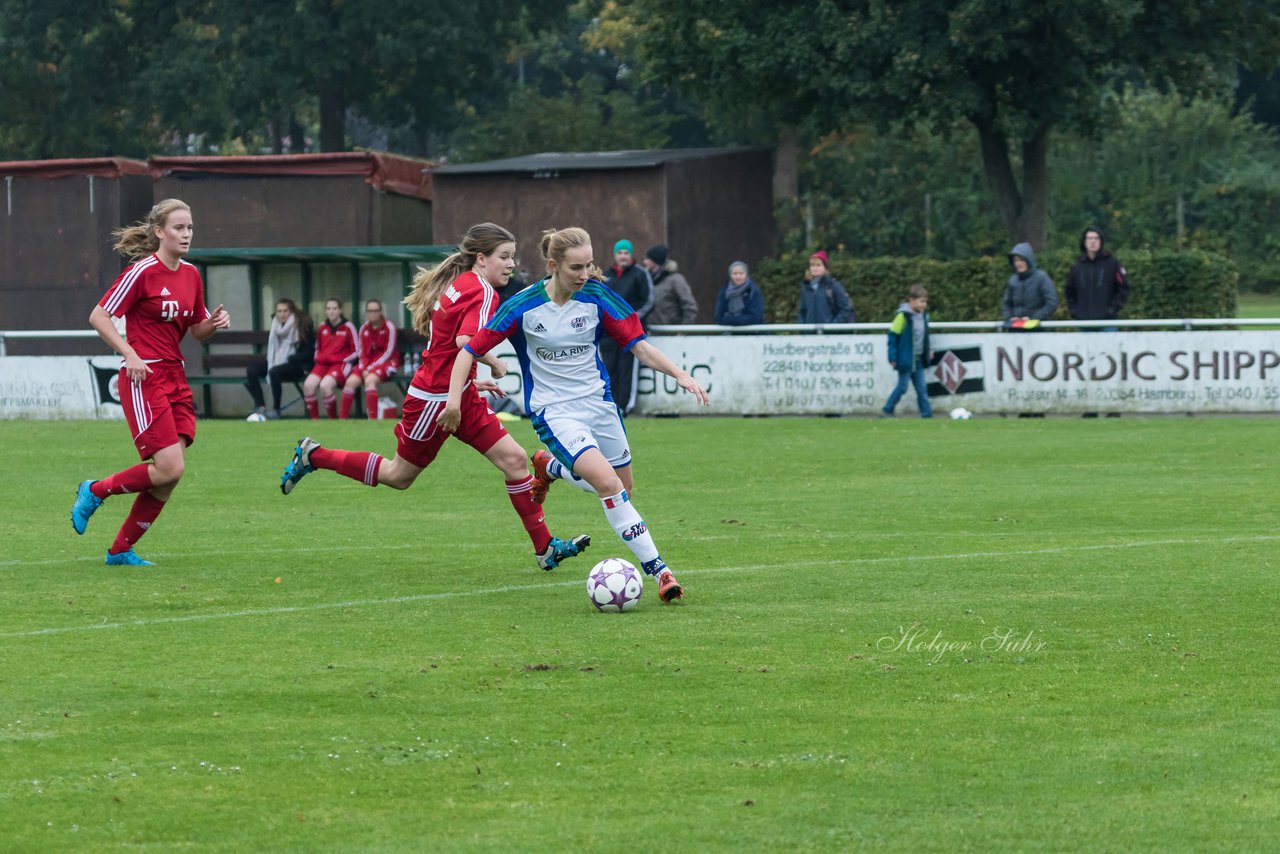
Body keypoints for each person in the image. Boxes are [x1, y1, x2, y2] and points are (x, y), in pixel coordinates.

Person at [278, 222, 590, 572]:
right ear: (481, 258)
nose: (510, 265)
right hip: (435, 401)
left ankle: (544, 548)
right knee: (399, 476)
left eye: (513, 257)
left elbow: (453, 344)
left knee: (516, 462)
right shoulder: (483, 292)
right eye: (504, 257)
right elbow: (462, 345)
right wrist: (475, 378)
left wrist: (472, 381)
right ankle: (314, 455)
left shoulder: (463, 283)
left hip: (455, 392)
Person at [443, 226, 711, 603]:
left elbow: (639, 346)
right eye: (576, 268)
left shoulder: (598, 297)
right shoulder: (522, 305)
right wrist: (454, 401)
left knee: (624, 489)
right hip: (555, 412)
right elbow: (468, 349)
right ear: (553, 265)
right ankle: (661, 572)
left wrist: (681, 374)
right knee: (610, 488)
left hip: (600, 406)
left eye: (589, 265)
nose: (585, 274)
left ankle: (549, 467)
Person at [69, 199, 231, 566]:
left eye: (190, 227)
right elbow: (99, 316)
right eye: (179, 227)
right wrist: (129, 353)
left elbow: (197, 330)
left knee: (168, 476)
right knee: (169, 467)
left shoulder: (190, 274)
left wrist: (214, 324)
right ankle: (94, 491)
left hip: (175, 374)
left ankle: (120, 550)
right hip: (144, 377)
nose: (186, 233)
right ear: (159, 232)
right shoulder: (142, 271)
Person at [600, 239, 653, 415]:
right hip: (608, 333)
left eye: (626, 253)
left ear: (631, 255)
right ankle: (611, 406)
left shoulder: (640, 274)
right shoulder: (606, 275)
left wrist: (630, 320)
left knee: (626, 370)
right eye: (620, 253)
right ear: (615, 255)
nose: (623, 256)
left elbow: (649, 301)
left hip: (630, 334)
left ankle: (624, 406)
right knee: (609, 369)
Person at [245, 299, 314, 419]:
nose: (282, 314)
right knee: (252, 369)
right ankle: (261, 406)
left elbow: (308, 353)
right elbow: (274, 348)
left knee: (274, 372)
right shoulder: (275, 324)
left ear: (292, 311)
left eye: (285, 311)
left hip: (297, 365)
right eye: (279, 311)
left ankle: (276, 409)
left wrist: (293, 358)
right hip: (276, 361)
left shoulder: (302, 325)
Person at [881, 285, 933, 418]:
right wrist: (892, 357)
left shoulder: (924, 317)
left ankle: (927, 414)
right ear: (911, 300)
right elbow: (892, 337)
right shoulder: (903, 317)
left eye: (925, 301)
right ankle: (887, 409)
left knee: (922, 388)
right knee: (902, 387)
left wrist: (928, 351)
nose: (923, 305)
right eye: (921, 301)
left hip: (919, 358)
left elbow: (925, 337)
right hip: (905, 358)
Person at [341, 299, 398, 419]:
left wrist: (370, 368)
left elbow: (388, 352)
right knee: (350, 383)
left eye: (375, 311)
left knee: (369, 381)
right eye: (370, 311)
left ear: (380, 312)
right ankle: (342, 420)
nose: (372, 314)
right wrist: (363, 367)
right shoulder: (364, 328)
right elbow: (362, 352)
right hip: (366, 365)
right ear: (366, 312)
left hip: (386, 363)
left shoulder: (389, 326)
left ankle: (372, 420)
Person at [1065, 226, 1129, 331]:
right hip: (1084, 324)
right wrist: (1075, 311)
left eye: (1096, 238)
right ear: (1084, 242)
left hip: (1107, 323)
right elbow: (1069, 291)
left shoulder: (1112, 264)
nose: (1093, 241)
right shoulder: (1077, 266)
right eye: (1089, 238)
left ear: (1101, 241)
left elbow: (1123, 288)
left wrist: (1112, 309)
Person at [303, 298, 358, 418]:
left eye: (334, 308)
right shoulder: (322, 327)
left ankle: (332, 420)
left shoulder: (348, 327)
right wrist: (321, 358)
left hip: (340, 364)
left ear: (340, 310)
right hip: (322, 364)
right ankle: (314, 421)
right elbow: (317, 349)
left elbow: (356, 352)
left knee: (325, 386)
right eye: (328, 309)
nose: (331, 311)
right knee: (308, 385)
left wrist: (339, 358)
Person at [1002, 242, 1059, 331]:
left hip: (1039, 330)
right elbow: (1007, 304)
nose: (1018, 263)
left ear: (1029, 260)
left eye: (1022, 260)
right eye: (1016, 260)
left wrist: (1034, 318)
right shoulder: (1012, 280)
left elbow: (1052, 303)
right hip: (1016, 330)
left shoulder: (1042, 277)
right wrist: (1010, 318)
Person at [642, 243, 699, 325]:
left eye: (648, 258)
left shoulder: (676, 280)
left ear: (656, 260)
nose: (644, 261)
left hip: (671, 333)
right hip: (651, 333)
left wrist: (683, 330)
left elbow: (690, 306)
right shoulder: (645, 279)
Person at [796, 250, 853, 324]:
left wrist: (833, 327)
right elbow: (801, 311)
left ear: (825, 267)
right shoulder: (806, 287)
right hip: (810, 334)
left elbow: (845, 309)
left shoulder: (833, 286)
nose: (815, 268)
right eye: (812, 265)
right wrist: (803, 329)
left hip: (829, 334)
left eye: (818, 265)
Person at [714, 261, 765, 326]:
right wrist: (740, 320)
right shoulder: (724, 292)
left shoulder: (754, 291)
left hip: (754, 333)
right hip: (730, 333)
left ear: (746, 274)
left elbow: (756, 317)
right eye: (735, 274)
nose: (738, 276)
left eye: (741, 273)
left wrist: (730, 319)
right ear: (730, 275)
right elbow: (719, 317)